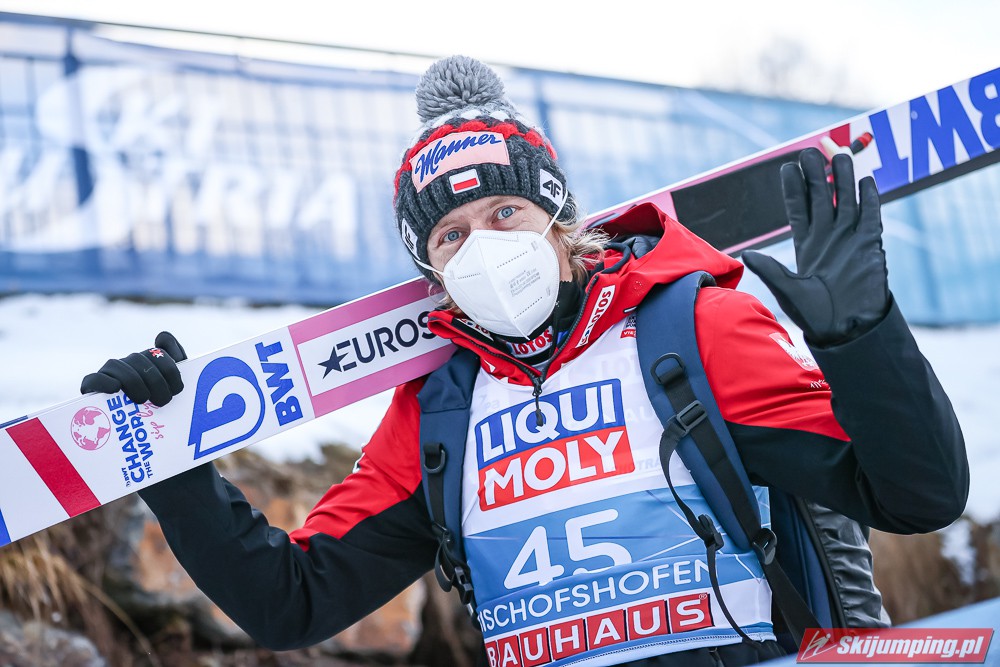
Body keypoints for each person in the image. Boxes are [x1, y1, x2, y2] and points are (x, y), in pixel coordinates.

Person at [82, 56, 968, 666]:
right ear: (433, 271)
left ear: (557, 219)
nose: (484, 246)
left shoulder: (690, 326)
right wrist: (173, 465)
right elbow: (292, 601)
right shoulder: (441, 410)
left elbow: (917, 494)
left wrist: (863, 336)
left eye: (504, 214)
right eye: (451, 235)